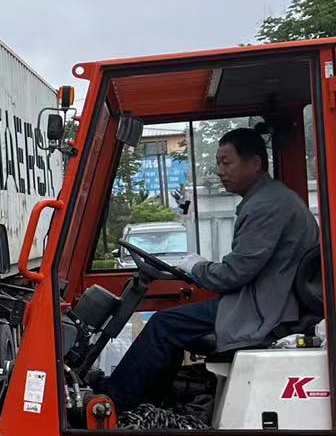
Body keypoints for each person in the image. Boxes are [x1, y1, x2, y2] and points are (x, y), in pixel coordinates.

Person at [103, 128, 319, 415]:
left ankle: (115, 406)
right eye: (218, 163)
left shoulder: (267, 206)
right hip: (262, 300)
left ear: (255, 163)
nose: (219, 171)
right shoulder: (268, 199)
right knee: (171, 323)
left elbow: (232, 275)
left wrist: (196, 266)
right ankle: (148, 405)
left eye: (226, 163)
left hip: (265, 310)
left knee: (163, 326)